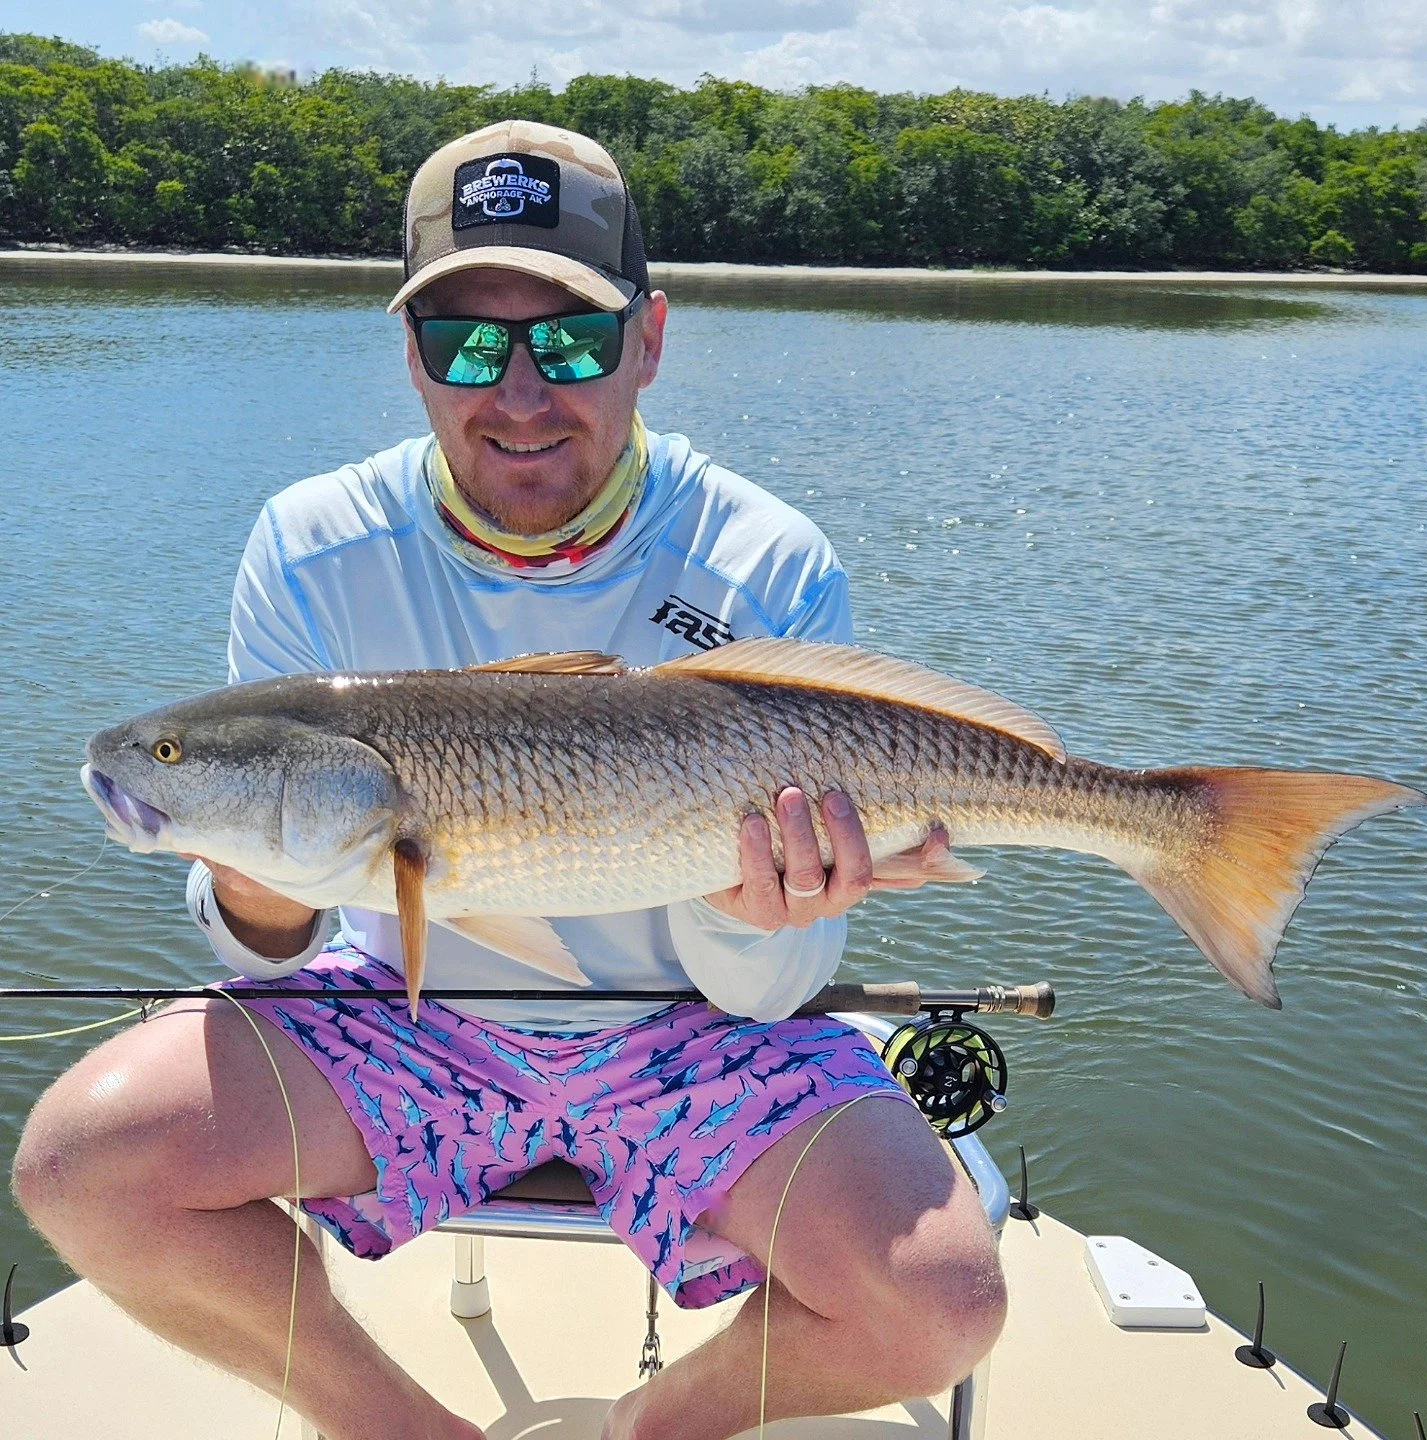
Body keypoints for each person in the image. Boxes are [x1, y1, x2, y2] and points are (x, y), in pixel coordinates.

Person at [12, 121, 1006, 1440]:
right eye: (467, 345)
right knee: (82, 1165)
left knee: (942, 1298)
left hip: (703, 1026)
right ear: (411, 357)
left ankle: (659, 1431)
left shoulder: (762, 560)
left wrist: (758, 908)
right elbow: (264, 950)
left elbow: (771, 989)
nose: (522, 392)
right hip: (406, 1001)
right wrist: (248, 877)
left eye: (576, 342)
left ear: (651, 339)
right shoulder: (309, 549)